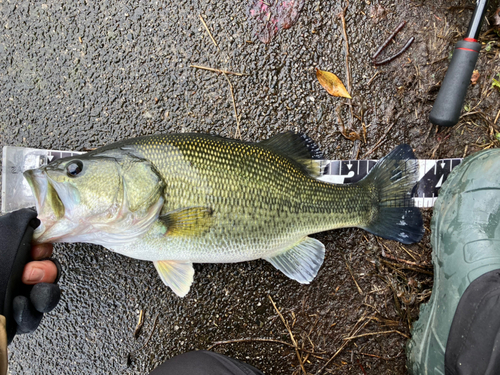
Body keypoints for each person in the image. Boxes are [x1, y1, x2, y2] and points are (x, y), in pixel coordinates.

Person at [2, 147, 500, 375]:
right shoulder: (128, 232)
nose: (60, 177)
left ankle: (369, 203)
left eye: (73, 169)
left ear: (138, 179)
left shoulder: (144, 218)